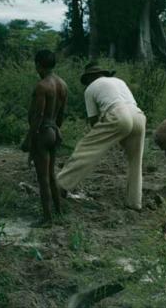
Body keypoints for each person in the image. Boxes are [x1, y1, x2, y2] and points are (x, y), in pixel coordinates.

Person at [56, 62, 146, 211]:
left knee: (86, 148)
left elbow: (93, 121)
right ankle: (134, 203)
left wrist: (102, 139)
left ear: (90, 77)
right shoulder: (119, 81)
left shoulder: (90, 88)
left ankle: (61, 185)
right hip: (139, 116)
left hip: (118, 114)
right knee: (136, 161)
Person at [20, 49, 68, 227]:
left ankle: (47, 219)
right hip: (54, 131)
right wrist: (56, 130)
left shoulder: (42, 86)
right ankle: (59, 212)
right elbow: (61, 114)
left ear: (38, 64)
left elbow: (38, 116)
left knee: (43, 178)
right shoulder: (62, 84)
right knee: (51, 175)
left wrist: (28, 139)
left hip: (42, 132)